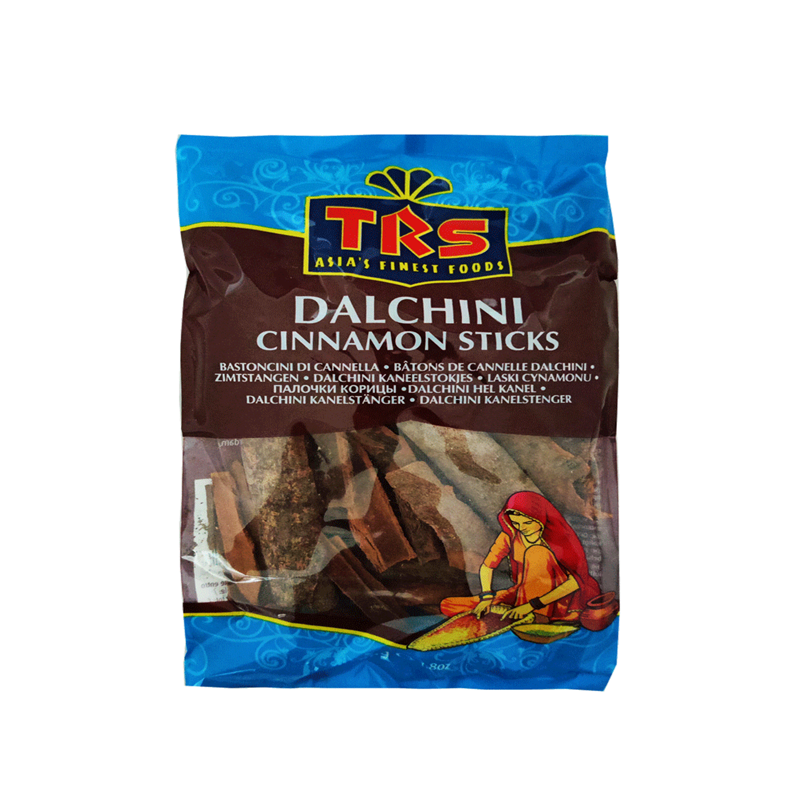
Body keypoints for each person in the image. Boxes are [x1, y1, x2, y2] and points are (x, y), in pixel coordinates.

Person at [440, 491, 600, 621]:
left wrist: (531, 606)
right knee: (448, 605)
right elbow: (488, 566)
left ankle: (537, 616)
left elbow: (576, 581)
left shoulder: (560, 538)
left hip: (561, 598)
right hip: (523, 591)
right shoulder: (510, 535)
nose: (522, 528)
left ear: (542, 517)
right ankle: (511, 610)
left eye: (528, 522)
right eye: (516, 523)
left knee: (536, 552)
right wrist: (487, 597)